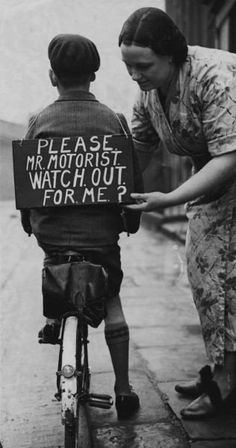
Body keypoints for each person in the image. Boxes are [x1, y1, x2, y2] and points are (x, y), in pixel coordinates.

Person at [118, 7, 236, 419]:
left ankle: (225, 381)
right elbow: (141, 148)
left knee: (220, 276)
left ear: (171, 54)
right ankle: (224, 369)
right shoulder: (149, 94)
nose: (135, 75)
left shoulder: (213, 76)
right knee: (207, 274)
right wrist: (103, 177)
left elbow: (228, 158)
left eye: (143, 65)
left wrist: (165, 199)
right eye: (128, 66)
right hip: (212, 176)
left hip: (227, 168)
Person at [20, 33, 142, 420]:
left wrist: (31, 225)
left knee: (55, 264)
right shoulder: (114, 120)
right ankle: (123, 389)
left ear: (52, 76)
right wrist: (131, 224)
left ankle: (55, 317)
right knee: (112, 301)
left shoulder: (37, 122)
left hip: (54, 241)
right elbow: (131, 186)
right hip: (101, 243)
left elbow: (28, 191)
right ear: (94, 75)